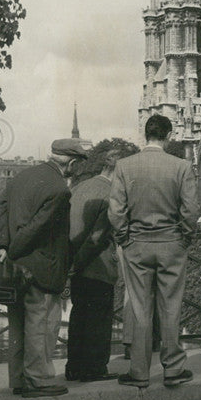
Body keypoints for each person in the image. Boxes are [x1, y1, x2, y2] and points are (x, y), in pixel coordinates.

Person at [0, 137, 93, 397]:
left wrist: (2, 246)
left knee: (17, 324)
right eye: (78, 164)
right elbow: (38, 227)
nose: (77, 169)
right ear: (71, 163)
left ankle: (18, 379)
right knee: (41, 322)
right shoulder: (59, 189)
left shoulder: (20, 178)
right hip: (41, 266)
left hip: (13, 268)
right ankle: (39, 380)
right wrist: (14, 249)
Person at [108, 115, 199, 388]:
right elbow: (192, 210)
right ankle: (173, 369)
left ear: (145, 135)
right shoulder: (182, 166)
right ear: (168, 135)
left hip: (137, 244)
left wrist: (126, 238)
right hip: (172, 243)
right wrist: (183, 237)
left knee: (139, 307)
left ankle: (139, 371)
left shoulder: (125, 166)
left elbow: (115, 212)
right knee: (171, 306)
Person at [65, 150, 121, 382]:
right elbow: (97, 238)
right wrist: (78, 264)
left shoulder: (79, 187)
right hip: (97, 266)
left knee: (79, 317)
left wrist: (71, 265)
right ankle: (94, 368)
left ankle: (74, 367)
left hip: (75, 264)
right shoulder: (111, 195)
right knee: (99, 318)